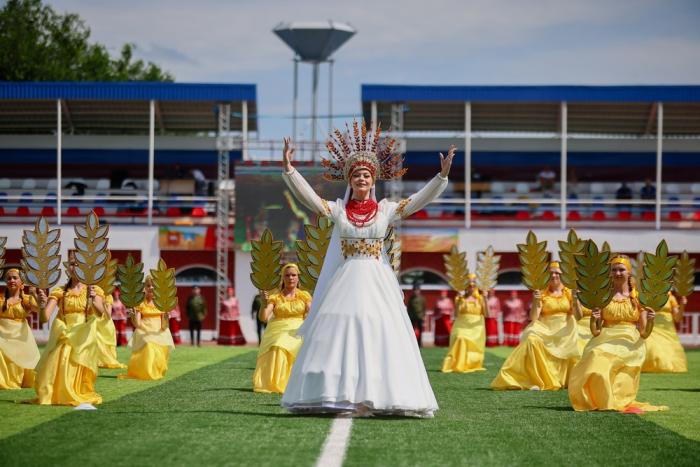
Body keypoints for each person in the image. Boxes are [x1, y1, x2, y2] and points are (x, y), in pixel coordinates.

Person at [279, 128, 454, 418]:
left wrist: (441, 177)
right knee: (340, 326)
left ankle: (381, 395)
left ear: (373, 181)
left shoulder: (386, 211)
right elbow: (309, 199)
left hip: (376, 279)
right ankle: (337, 394)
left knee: (380, 328)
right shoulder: (338, 211)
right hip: (346, 278)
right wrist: (289, 170)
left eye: (367, 175)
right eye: (357, 175)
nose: (362, 179)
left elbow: (418, 200)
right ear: (350, 180)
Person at [569, 256, 667, 412]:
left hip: (630, 341)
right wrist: (594, 319)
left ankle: (616, 400)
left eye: (621, 269)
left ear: (629, 273)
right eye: (614, 269)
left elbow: (644, 333)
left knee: (616, 361)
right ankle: (598, 399)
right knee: (595, 355)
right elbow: (595, 332)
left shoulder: (637, 299)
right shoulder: (603, 297)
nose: (617, 273)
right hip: (605, 338)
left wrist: (651, 321)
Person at [491, 262, 580, 391]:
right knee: (531, 339)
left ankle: (562, 378)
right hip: (545, 327)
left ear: (563, 275)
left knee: (574, 345)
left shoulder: (568, 292)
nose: (554, 275)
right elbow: (533, 317)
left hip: (565, 327)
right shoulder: (542, 293)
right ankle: (537, 379)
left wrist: (576, 300)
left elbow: (578, 316)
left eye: (557, 273)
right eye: (550, 273)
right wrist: (535, 300)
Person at [34, 255, 104, 406]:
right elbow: (45, 318)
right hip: (65, 332)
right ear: (68, 268)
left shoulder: (94, 289)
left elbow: (100, 313)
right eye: (72, 264)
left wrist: (93, 299)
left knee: (77, 364)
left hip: (84, 333)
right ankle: (59, 393)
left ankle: (76, 390)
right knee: (62, 359)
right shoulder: (59, 291)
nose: (75, 267)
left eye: (79, 264)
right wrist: (41, 305)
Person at [253, 264, 310, 393]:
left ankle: (292, 383)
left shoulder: (304, 296)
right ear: (282, 278)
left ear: (298, 277)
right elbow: (264, 317)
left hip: (298, 327)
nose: (290, 278)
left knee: (286, 344)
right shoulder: (275, 297)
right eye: (287, 275)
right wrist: (263, 303)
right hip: (277, 329)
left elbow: (310, 313)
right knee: (277, 344)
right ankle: (275, 383)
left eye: (293, 275)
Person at [119, 277, 174, 380]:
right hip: (144, 331)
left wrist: (166, 318)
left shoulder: (162, 303)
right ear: (144, 288)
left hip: (159, 331)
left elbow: (164, 326)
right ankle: (148, 373)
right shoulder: (140, 303)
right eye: (148, 285)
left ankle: (155, 371)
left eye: (154, 285)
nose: (151, 288)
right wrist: (133, 316)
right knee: (149, 346)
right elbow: (137, 324)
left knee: (159, 352)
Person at [0, 268, 40, 389]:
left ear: (21, 282)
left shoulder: (26, 299)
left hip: (20, 336)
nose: (11, 280)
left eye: (15, 278)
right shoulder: (1, 299)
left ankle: (18, 380)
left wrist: (34, 294)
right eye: (9, 278)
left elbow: (37, 309)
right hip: (2, 335)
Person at [441, 274, 488, 373]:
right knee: (460, 337)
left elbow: (487, 314)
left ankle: (469, 363)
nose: (471, 287)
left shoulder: (480, 299)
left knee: (465, 339)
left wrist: (486, 299)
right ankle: (456, 364)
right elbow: (456, 314)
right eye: (469, 285)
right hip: (462, 324)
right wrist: (458, 301)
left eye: (473, 285)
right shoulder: (461, 298)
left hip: (476, 326)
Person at [642, 291, 688, 373]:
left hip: (668, 329)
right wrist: (645, 327)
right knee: (653, 348)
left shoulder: (670, 297)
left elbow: (678, 318)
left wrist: (682, 305)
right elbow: (643, 313)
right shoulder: (647, 295)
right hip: (653, 326)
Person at [95, 288, 126, 369]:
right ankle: (96, 360)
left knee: (107, 342)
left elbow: (108, 315)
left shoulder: (108, 297)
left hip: (106, 323)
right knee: (97, 341)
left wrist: (103, 304)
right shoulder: (92, 293)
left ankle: (104, 360)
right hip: (96, 322)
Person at [406, 282, 427, 347]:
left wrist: (424, 316)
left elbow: (424, 308)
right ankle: (412, 342)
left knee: (420, 331)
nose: (416, 291)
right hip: (412, 316)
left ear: (419, 291)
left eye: (417, 290)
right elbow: (409, 308)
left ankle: (419, 343)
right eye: (415, 290)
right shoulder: (411, 299)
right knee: (411, 330)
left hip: (420, 316)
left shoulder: (422, 298)